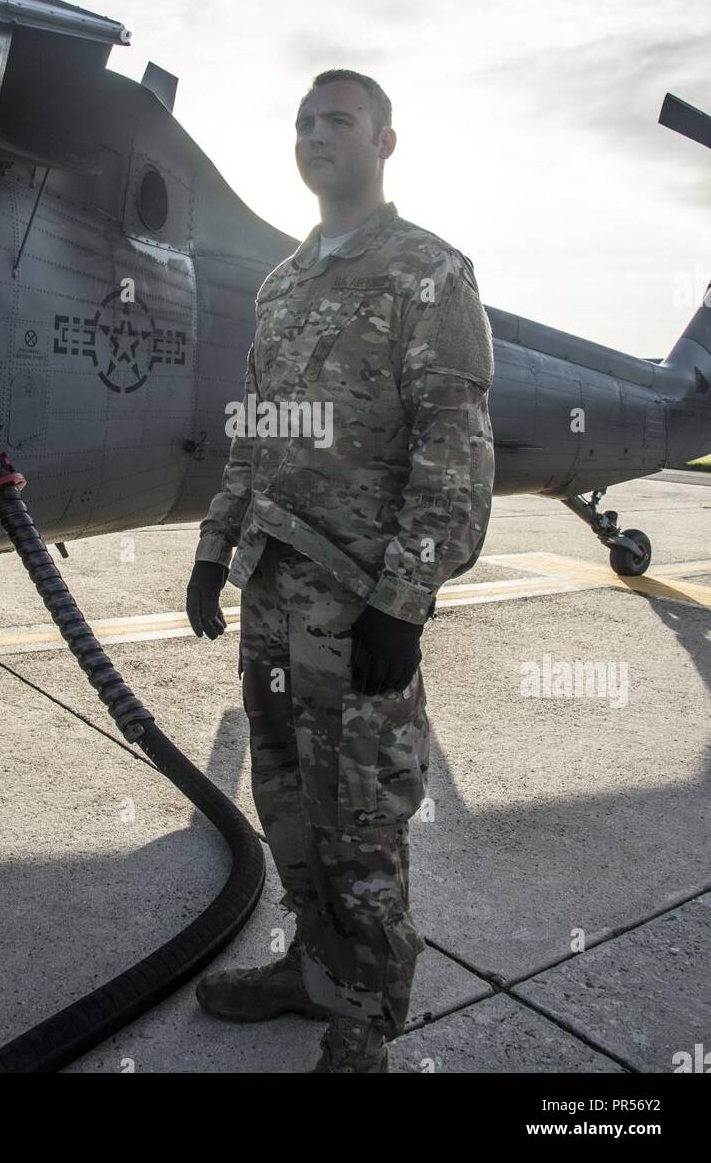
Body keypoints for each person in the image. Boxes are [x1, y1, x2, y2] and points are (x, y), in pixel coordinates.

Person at [185, 68, 495, 1072]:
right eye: (304, 122)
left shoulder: (428, 272)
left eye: (339, 120)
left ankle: (371, 1006)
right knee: (283, 789)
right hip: (273, 593)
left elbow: (454, 447)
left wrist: (402, 600)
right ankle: (315, 968)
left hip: (359, 599)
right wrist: (211, 547)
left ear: (384, 143)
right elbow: (257, 434)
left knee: (360, 808)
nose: (317, 135)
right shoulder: (282, 284)